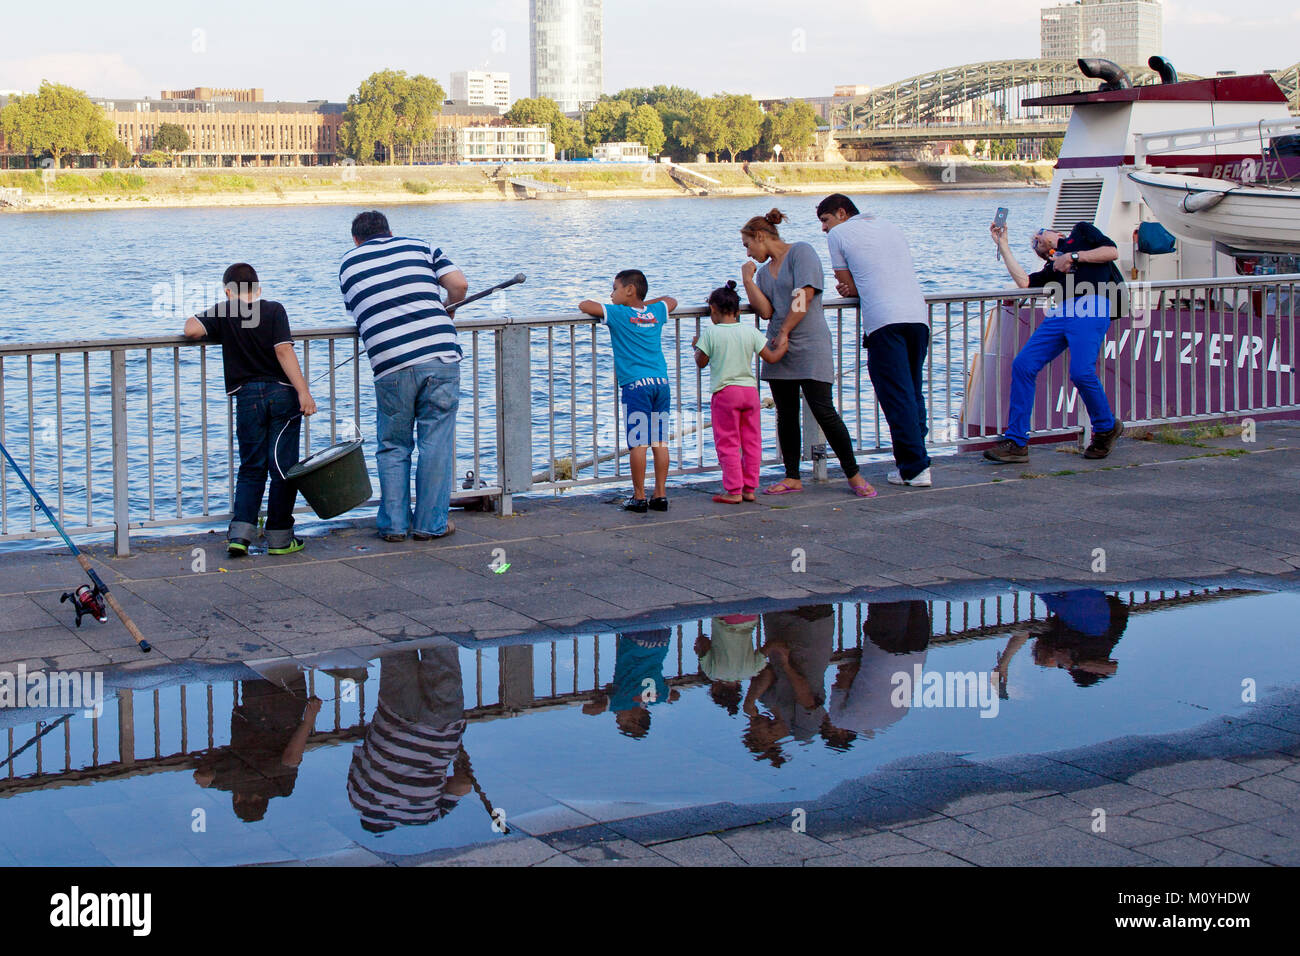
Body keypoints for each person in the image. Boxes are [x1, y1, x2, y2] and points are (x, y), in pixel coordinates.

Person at [339, 211, 466, 542]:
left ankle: (394, 525)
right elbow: (459, 285)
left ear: (356, 239)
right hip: (440, 355)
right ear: (390, 231)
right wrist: (449, 308)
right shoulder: (420, 246)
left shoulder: (349, 263)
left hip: (391, 364)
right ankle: (430, 525)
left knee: (393, 445)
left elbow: (358, 313)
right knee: (435, 444)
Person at [739, 209, 875, 498]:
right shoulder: (762, 273)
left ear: (760, 236)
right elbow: (766, 311)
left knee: (824, 410)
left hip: (809, 342)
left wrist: (786, 331)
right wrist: (748, 280)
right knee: (786, 415)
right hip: (779, 347)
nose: (748, 253)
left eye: (748, 245)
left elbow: (805, 295)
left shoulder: (801, 252)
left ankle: (854, 474)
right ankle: (792, 476)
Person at [184, 262, 317, 558]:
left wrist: (224, 310)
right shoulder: (274, 309)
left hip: (247, 398)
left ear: (227, 291)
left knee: (251, 467)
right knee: (282, 468)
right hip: (282, 395)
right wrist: (303, 391)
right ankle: (280, 538)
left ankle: (240, 536)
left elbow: (191, 329)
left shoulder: (225, 311)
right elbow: (283, 350)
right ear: (258, 289)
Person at [817, 194, 933, 488]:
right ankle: (918, 459)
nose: (824, 229)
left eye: (825, 220)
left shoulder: (839, 235)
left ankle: (914, 468)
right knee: (913, 392)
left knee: (896, 396)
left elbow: (847, 284)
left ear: (841, 213)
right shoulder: (889, 226)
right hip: (918, 317)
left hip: (884, 320)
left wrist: (850, 288)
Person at [985, 221, 1125, 463]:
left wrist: (1072, 256)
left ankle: (1106, 427)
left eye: (1040, 234)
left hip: (1092, 303)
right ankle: (1016, 442)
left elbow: (1111, 252)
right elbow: (1025, 283)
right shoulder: (1052, 268)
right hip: (1062, 311)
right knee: (1023, 365)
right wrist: (1003, 245)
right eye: (1035, 243)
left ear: (1058, 234)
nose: (1036, 239)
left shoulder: (1081, 232)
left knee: (1081, 372)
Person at [347, 640, 472, 831]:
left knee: (441, 647)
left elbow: (463, 785)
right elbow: (364, 751)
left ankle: (441, 625)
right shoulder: (358, 797)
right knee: (396, 646)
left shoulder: (426, 816)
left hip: (443, 730)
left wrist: (457, 759)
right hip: (395, 720)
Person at [579, 271, 678, 513]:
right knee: (660, 441)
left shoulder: (619, 313)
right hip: (661, 382)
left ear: (630, 290)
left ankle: (639, 496)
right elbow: (671, 300)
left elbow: (585, 305)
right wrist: (645, 307)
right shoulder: (655, 312)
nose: (611, 294)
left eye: (615, 288)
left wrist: (626, 307)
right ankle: (660, 494)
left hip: (636, 385)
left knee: (638, 444)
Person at [692, 280, 788, 503]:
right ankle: (750, 488)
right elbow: (771, 357)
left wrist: (697, 345)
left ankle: (734, 490)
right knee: (752, 442)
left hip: (725, 393)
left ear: (713, 309)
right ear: (737, 311)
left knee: (728, 443)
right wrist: (784, 345)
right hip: (750, 392)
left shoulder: (711, 332)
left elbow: (701, 362)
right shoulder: (750, 331)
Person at [192, 674, 321, 822]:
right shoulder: (231, 782)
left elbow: (291, 760)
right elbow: (203, 777)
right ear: (237, 799)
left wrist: (308, 721)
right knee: (257, 666)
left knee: (287, 665)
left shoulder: (282, 788)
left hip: (289, 710)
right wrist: (212, 781)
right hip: (258, 710)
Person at [582, 628, 681, 737]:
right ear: (634, 719)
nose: (617, 715)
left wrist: (663, 697)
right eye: (620, 719)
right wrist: (612, 706)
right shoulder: (622, 703)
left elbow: (676, 696)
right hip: (636, 641)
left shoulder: (657, 697)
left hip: (662, 640)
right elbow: (587, 710)